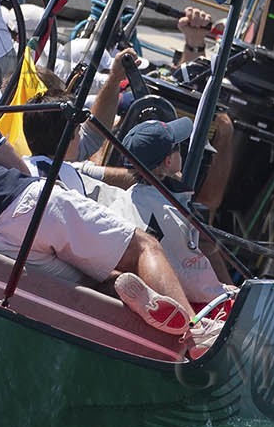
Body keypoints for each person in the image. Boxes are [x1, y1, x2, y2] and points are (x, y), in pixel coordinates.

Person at [0, 51, 212, 341]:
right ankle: (195, 337)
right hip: (25, 204)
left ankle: (124, 289)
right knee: (142, 246)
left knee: (88, 283)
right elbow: (20, 169)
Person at [102, 116, 239, 313]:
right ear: (168, 161)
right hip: (190, 306)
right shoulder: (175, 212)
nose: (181, 150)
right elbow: (198, 284)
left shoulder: (120, 203)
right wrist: (228, 291)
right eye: (177, 147)